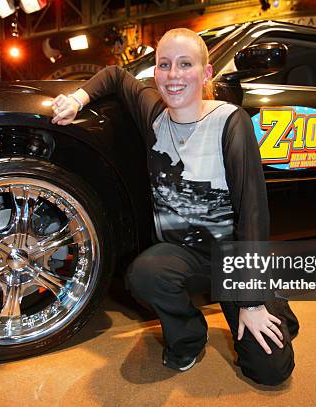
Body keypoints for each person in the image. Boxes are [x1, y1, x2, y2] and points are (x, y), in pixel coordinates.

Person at [51, 28, 298, 385]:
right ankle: (188, 338)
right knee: (145, 274)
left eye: (185, 64)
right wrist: (77, 98)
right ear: (155, 73)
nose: (174, 75)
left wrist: (252, 302)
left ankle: (274, 301)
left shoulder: (230, 122)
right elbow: (116, 76)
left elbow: (253, 214)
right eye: (164, 65)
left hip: (234, 261)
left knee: (270, 371)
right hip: (183, 256)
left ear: (206, 73)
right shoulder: (154, 116)